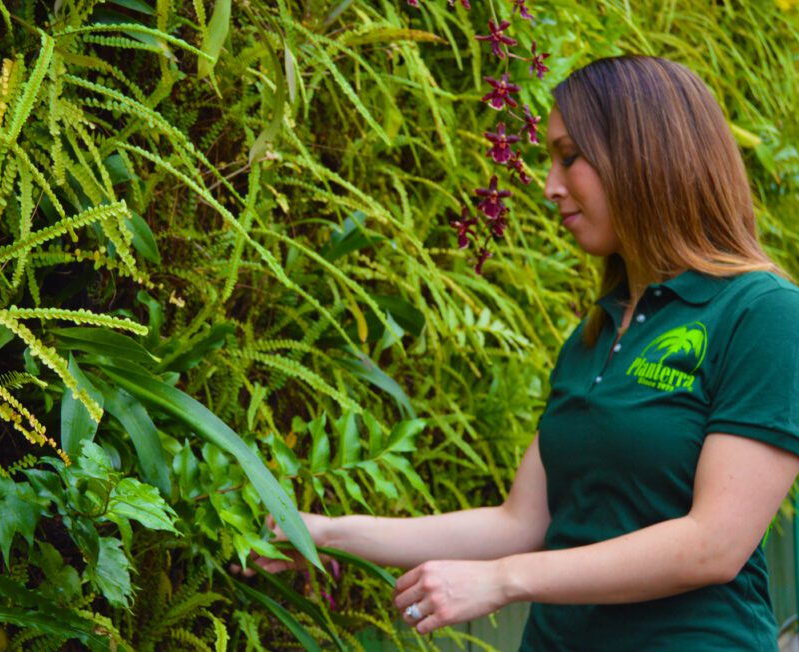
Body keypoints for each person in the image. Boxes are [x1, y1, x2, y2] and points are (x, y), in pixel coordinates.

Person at [238, 55, 799, 650]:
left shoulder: (760, 312)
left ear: (645, 151)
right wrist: (323, 534)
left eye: (569, 156)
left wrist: (503, 581)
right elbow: (521, 522)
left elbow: (714, 544)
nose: (551, 186)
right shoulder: (596, 333)